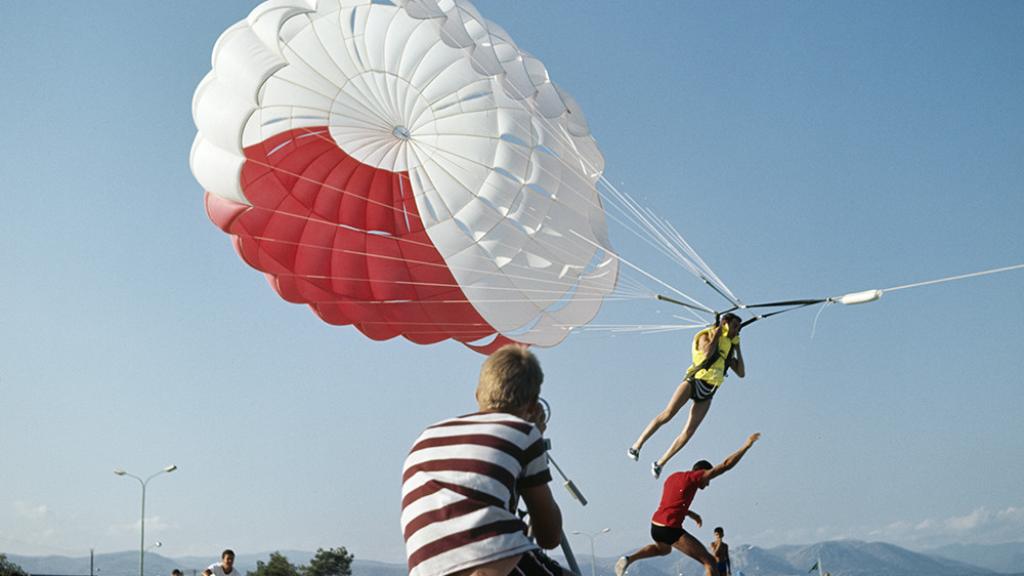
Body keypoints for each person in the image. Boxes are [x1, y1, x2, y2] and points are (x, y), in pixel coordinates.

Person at [401, 345, 562, 576]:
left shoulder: (427, 435)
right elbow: (549, 535)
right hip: (488, 563)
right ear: (533, 405)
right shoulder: (524, 433)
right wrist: (536, 436)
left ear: (478, 394)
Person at [614, 433, 760, 576]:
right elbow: (725, 465)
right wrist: (746, 446)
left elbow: (672, 503)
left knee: (664, 550)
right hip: (670, 528)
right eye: (708, 479)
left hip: (656, 526)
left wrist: (691, 514)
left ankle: (629, 559)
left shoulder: (674, 477)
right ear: (704, 472)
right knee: (709, 562)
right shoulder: (696, 477)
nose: (707, 484)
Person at [627, 313, 746, 478]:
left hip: (709, 391)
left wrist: (737, 346)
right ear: (725, 323)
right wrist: (717, 334)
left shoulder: (729, 348)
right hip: (694, 381)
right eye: (734, 326)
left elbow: (741, 373)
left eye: (739, 328)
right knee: (668, 414)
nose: (737, 330)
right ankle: (636, 445)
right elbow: (706, 354)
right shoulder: (707, 335)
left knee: (689, 432)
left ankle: (660, 463)